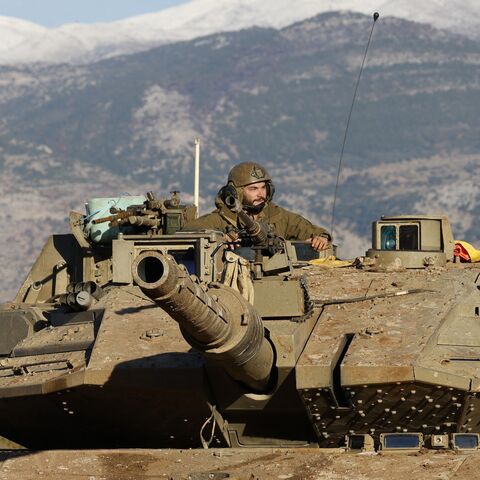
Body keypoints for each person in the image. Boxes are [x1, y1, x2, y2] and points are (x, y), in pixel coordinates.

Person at [184, 162, 331, 251]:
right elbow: (186, 233)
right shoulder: (221, 219)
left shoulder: (276, 215)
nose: (261, 194)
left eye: (263, 188)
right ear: (237, 193)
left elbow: (309, 230)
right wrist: (218, 238)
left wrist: (321, 238)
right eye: (253, 189)